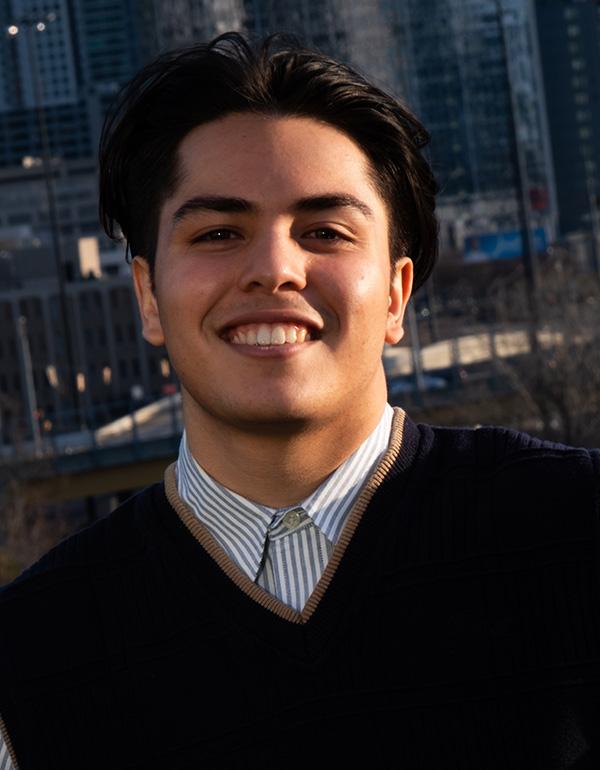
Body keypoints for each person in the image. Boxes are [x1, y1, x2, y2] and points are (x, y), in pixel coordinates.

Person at [0, 31, 599, 770]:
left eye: (324, 231)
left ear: (395, 293)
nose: (275, 270)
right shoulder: (32, 655)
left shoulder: (575, 530)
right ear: (148, 297)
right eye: (219, 232)